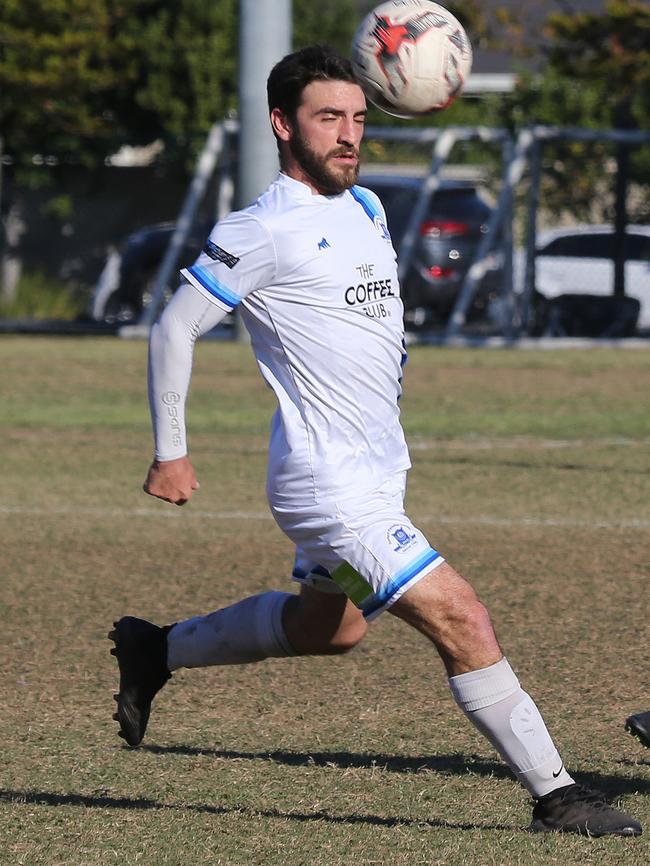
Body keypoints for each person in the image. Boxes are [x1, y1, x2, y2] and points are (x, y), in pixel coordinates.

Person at [109, 45, 642, 838]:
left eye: (358, 118)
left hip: (376, 471)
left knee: (331, 629)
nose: (349, 135)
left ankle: (158, 651)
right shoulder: (262, 229)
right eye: (330, 118)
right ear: (283, 124)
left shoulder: (366, 209)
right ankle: (557, 795)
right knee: (463, 618)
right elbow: (175, 327)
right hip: (327, 486)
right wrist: (171, 449)